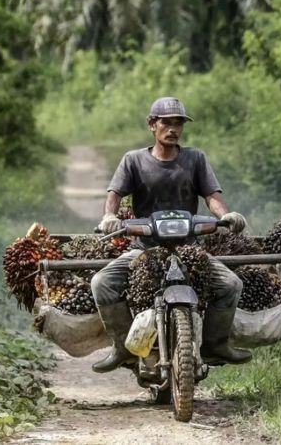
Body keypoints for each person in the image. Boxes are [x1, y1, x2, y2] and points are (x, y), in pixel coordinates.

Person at [89, 97, 252, 373]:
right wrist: (109, 217)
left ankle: (215, 344)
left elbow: (212, 196)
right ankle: (122, 347)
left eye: (178, 123)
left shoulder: (195, 158)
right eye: (166, 122)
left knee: (231, 285)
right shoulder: (134, 160)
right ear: (152, 125)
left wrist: (225, 216)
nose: (173, 128)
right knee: (101, 282)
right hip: (144, 248)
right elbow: (114, 194)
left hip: (189, 248)